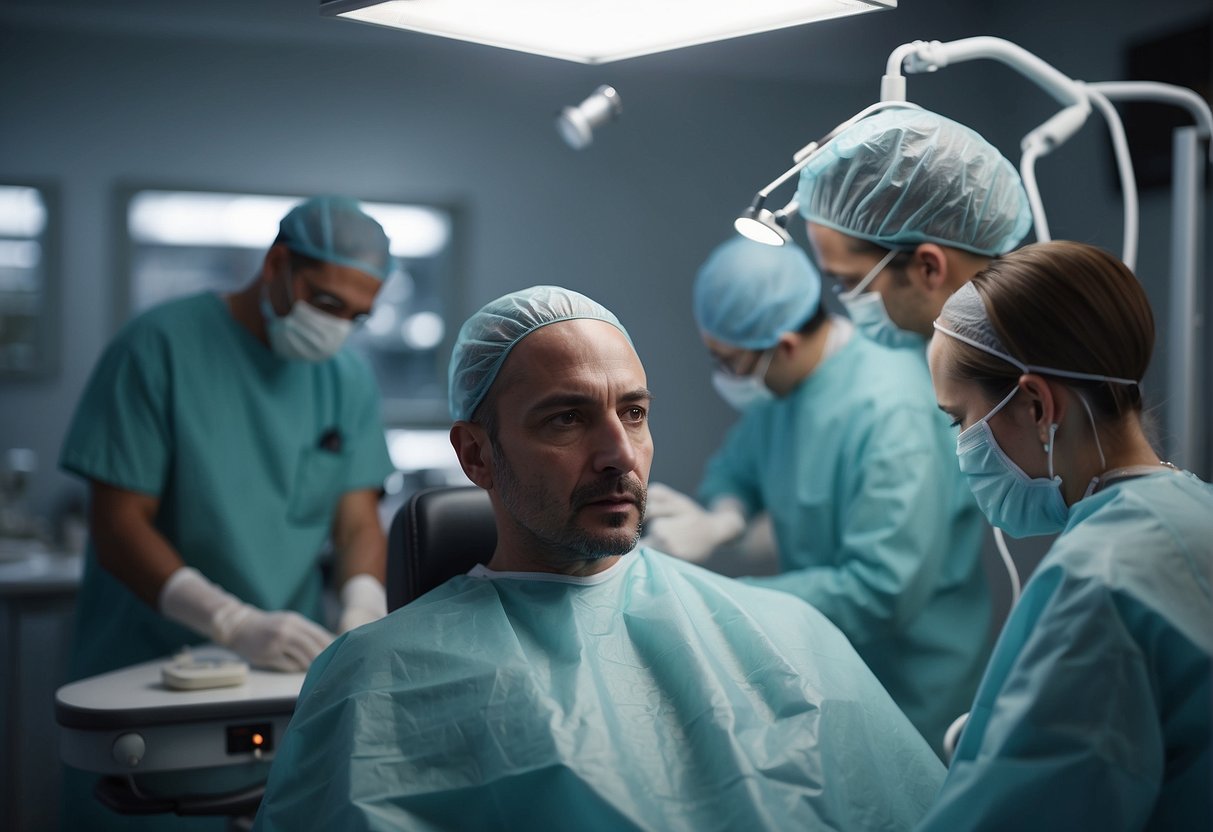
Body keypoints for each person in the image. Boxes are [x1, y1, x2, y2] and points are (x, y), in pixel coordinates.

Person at [252, 285, 946, 831]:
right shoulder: (374, 681)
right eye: (566, 418)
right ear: (475, 455)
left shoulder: (786, 632)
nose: (619, 455)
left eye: (634, 413)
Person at [58, 195, 396, 830]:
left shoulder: (346, 378)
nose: (338, 327)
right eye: (327, 302)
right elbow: (119, 524)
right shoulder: (156, 347)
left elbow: (357, 522)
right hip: (152, 676)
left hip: (285, 676)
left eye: (357, 316)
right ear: (277, 264)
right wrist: (230, 621)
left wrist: (360, 610)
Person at [645, 235, 992, 756]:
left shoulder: (890, 411)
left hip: (912, 684)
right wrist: (724, 518)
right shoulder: (784, 389)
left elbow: (880, 592)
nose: (726, 377)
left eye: (730, 363)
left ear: (783, 345)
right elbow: (738, 466)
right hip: (830, 662)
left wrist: (727, 601)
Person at [918, 241, 1212, 830]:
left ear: (1033, 405)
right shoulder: (1193, 505)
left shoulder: (1099, 580)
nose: (961, 444)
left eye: (959, 418)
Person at [795, 106, 1033, 348]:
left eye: (851, 281)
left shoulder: (1009, 372)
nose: (847, 298)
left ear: (928, 267)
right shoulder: (959, 354)